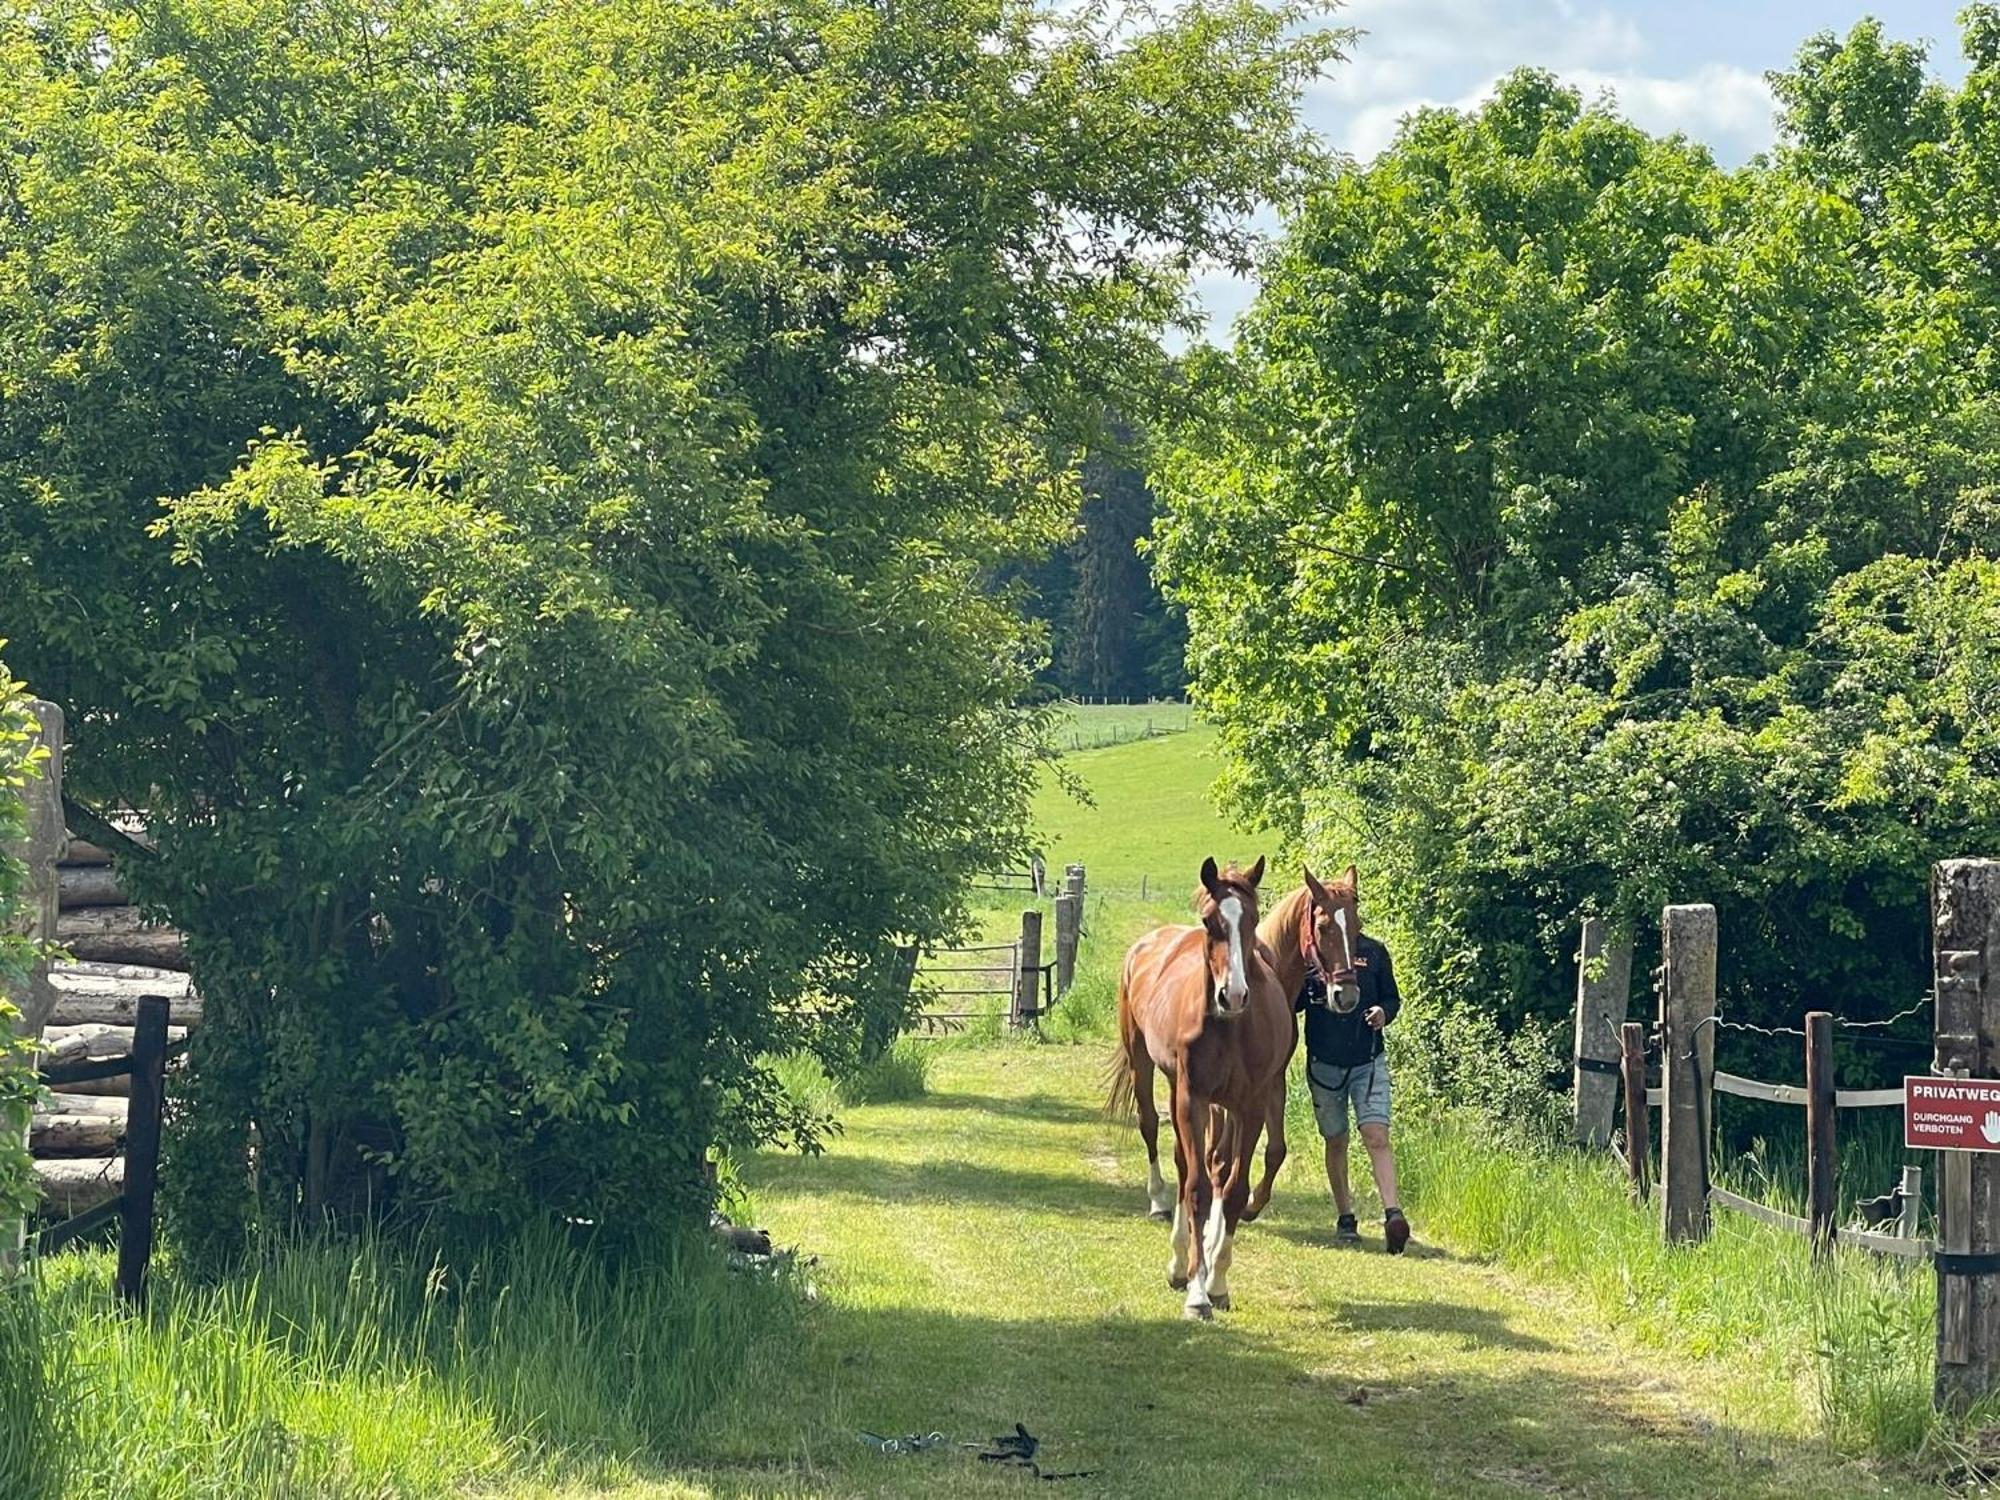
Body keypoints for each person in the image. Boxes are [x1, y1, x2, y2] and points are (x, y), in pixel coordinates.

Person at [1296, 927, 1408, 1253]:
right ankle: (1346, 1216)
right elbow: (1295, 1003)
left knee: (1377, 1134)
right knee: (1336, 1139)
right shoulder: (1311, 957)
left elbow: (1392, 997)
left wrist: (1384, 1013)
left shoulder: (1374, 951)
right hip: (1325, 1064)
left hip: (1368, 1060)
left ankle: (1393, 1214)